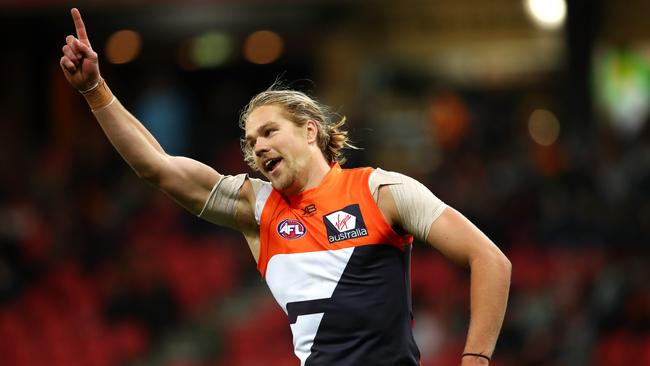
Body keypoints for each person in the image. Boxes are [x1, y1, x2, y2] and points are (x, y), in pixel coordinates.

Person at [59, 8, 511, 366]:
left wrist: (474, 359)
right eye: (251, 141)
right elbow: (156, 167)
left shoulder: (381, 191)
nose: (257, 147)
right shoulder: (255, 208)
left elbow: (490, 260)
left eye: (269, 132)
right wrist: (95, 89)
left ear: (310, 131)